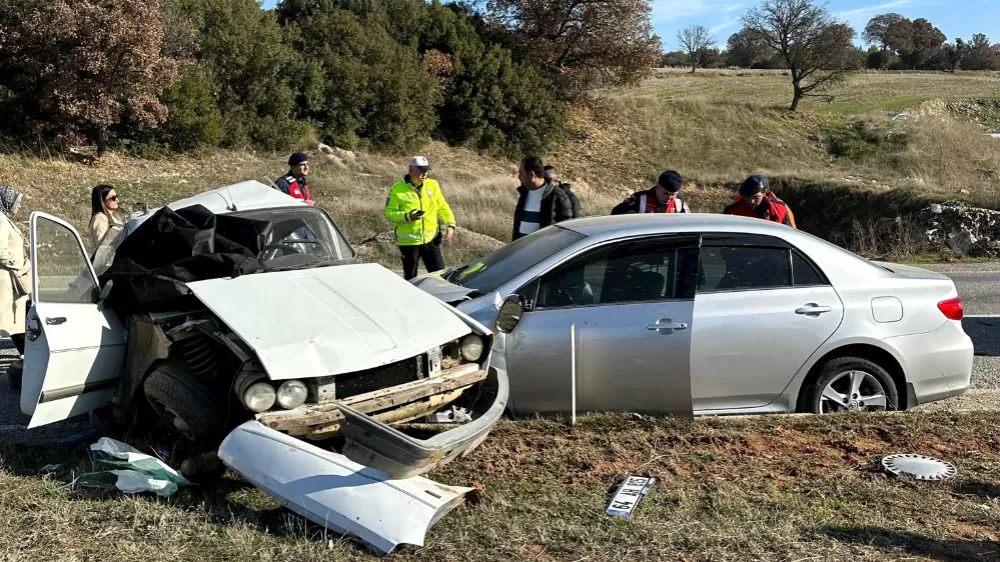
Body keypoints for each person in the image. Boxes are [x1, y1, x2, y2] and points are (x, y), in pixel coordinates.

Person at [384, 156, 456, 280]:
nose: (425, 173)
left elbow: (442, 206)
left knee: (441, 275)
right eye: (421, 170)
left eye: (426, 170)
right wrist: (408, 216)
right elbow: (389, 213)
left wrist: (450, 224)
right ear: (411, 170)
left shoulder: (433, 185)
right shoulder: (397, 189)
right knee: (411, 278)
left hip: (431, 239)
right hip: (409, 242)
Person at [512, 156, 574, 241]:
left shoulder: (558, 197)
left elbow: (566, 231)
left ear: (531, 175)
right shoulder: (524, 194)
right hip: (521, 250)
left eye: (521, 173)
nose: (519, 177)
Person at [0, 186, 30, 357]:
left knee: (16, 315)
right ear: (8, 201)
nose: (19, 206)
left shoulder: (5, 218)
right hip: (8, 276)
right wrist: (17, 262)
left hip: (13, 275)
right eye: (17, 203)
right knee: (14, 316)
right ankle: (26, 353)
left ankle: (25, 351)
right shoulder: (1, 220)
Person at [722, 174, 797, 228]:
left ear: (764, 193)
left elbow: (791, 234)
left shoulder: (780, 208)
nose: (751, 201)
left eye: (756, 197)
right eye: (747, 197)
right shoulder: (732, 211)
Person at [611, 169, 691, 215]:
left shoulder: (679, 204)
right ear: (657, 186)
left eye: (673, 195)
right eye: (665, 193)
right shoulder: (640, 199)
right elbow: (616, 214)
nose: (669, 198)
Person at [90, 184, 124, 249]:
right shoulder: (100, 217)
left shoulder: (116, 218)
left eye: (117, 196)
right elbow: (101, 243)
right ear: (102, 200)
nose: (117, 200)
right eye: (113, 198)